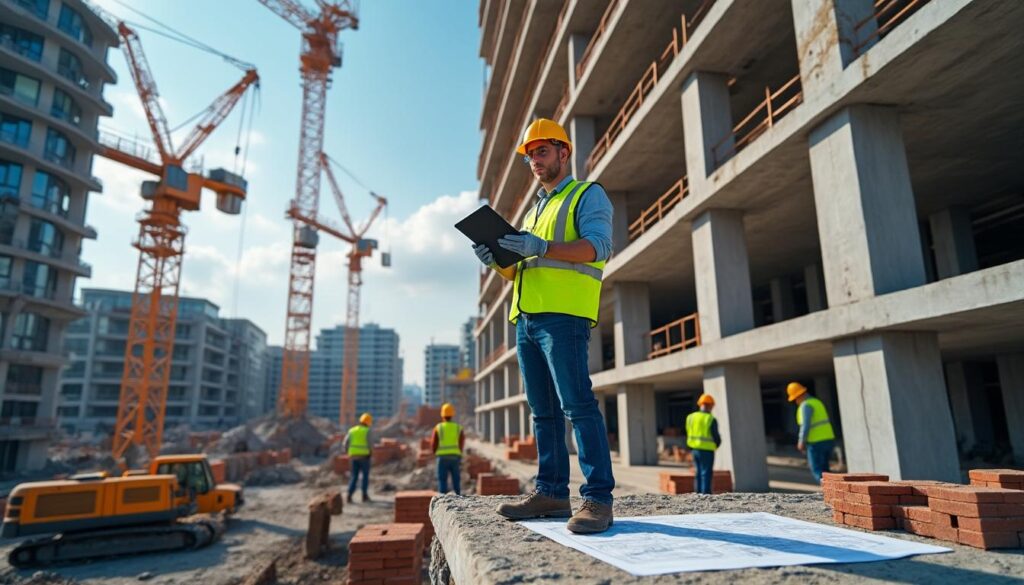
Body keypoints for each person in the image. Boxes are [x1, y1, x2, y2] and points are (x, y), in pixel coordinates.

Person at [474, 118, 616, 534]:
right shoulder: (536, 208)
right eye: (530, 154)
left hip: (564, 316)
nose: (534, 160)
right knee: (544, 413)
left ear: (563, 152)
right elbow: (525, 270)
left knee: (577, 405)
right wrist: (498, 262)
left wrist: (542, 246)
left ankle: (598, 499)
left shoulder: (587, 195)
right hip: (527, 318)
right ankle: (552, 493)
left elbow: (598, 248)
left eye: (541, 151)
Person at [788, 382, 836, 483]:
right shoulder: (817, 402)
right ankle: (832, 492)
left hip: (816, 443)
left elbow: (805, 425)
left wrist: (801, 441)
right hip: (828, 440)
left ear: (799, 396)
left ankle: (827, 492)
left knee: (817, 470)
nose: (796, 402)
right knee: (826, 471)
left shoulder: (806, 405)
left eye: (795, 399)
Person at [685, 394, 722, 494]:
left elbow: (688, 432)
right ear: (710, 406)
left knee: (698, 472)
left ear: (700, 404)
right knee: (706, 473)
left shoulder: (691, 417)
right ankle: (705, 494)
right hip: (707, 450)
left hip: (695, 449)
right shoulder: (710, 419)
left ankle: (698, 493)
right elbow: (716, 437)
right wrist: (717, 445)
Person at [432, 403, 465, 495]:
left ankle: (442, 500)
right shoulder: (458, 427)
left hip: (442, 457)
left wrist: (435, 453)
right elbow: (461, 442)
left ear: (442, 415)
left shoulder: (438, 427)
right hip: (455, 457)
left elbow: (434, 443)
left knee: (442, 480)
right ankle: (458, 497)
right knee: (456, 479)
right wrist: (459, 452)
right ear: (452, 414)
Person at [343, 412, 374, 503]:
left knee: (354, 476)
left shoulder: (352, 430)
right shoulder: (367, 431)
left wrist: (348, 452)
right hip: (364, 457)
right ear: (368, 423)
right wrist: (371, 453)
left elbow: (345, 443)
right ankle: (364, 496)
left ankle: (349, 495)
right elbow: (370, 444)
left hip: (353, 457)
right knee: (365, 476)